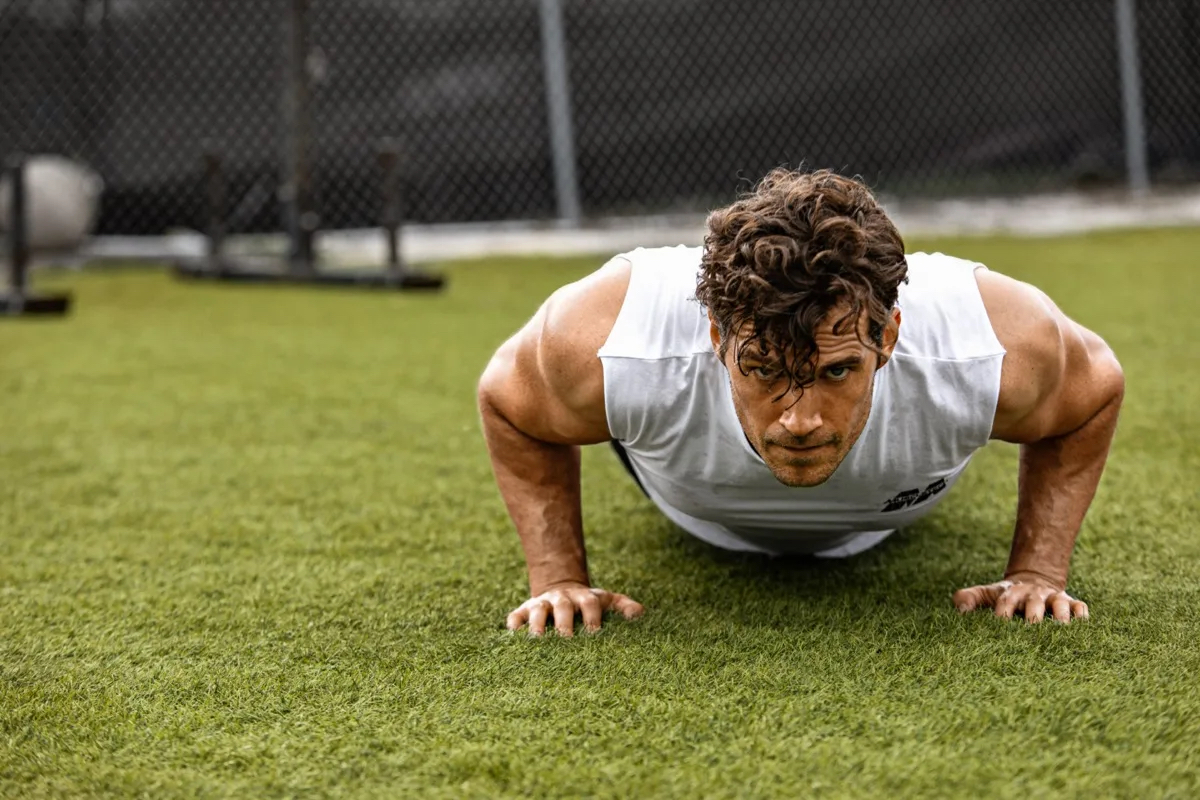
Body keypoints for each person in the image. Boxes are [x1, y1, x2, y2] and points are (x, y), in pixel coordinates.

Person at [477, 168, 1124, 636]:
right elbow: (509, 402)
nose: (800, 420)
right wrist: (558, 580)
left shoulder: (988, 343)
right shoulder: (617, 339)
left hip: (893, 501)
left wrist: (1038, 570)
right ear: (715, 336)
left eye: (837, 370)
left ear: (889, 336)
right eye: (762, 369)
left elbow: (1093, 394)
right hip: (686, 497)